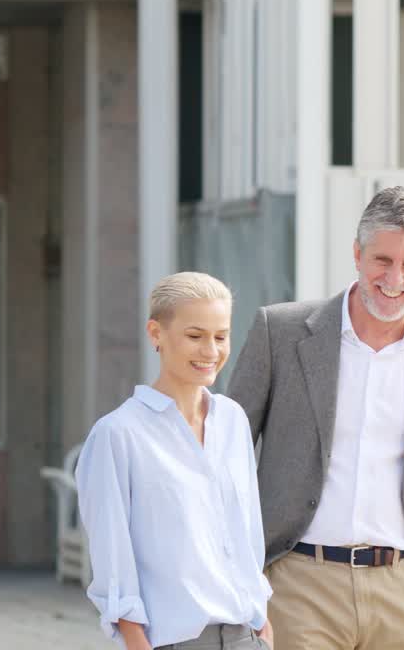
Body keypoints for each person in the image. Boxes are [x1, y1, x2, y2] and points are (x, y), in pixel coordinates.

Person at [227, 186, 404, 650]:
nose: (394, 278)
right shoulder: (279, 332)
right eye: (382, 260)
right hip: (296, 582)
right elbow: (229, 453)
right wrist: (246, 571)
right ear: (357, 253)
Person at [76, 272, 273, 650]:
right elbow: (113, 561)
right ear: (156, 334)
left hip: (246, 638)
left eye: (221, 336)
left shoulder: (232, 420)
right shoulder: (118, 434)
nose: (211, 351)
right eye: (195, 336)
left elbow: (247, 532)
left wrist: (263, 625)